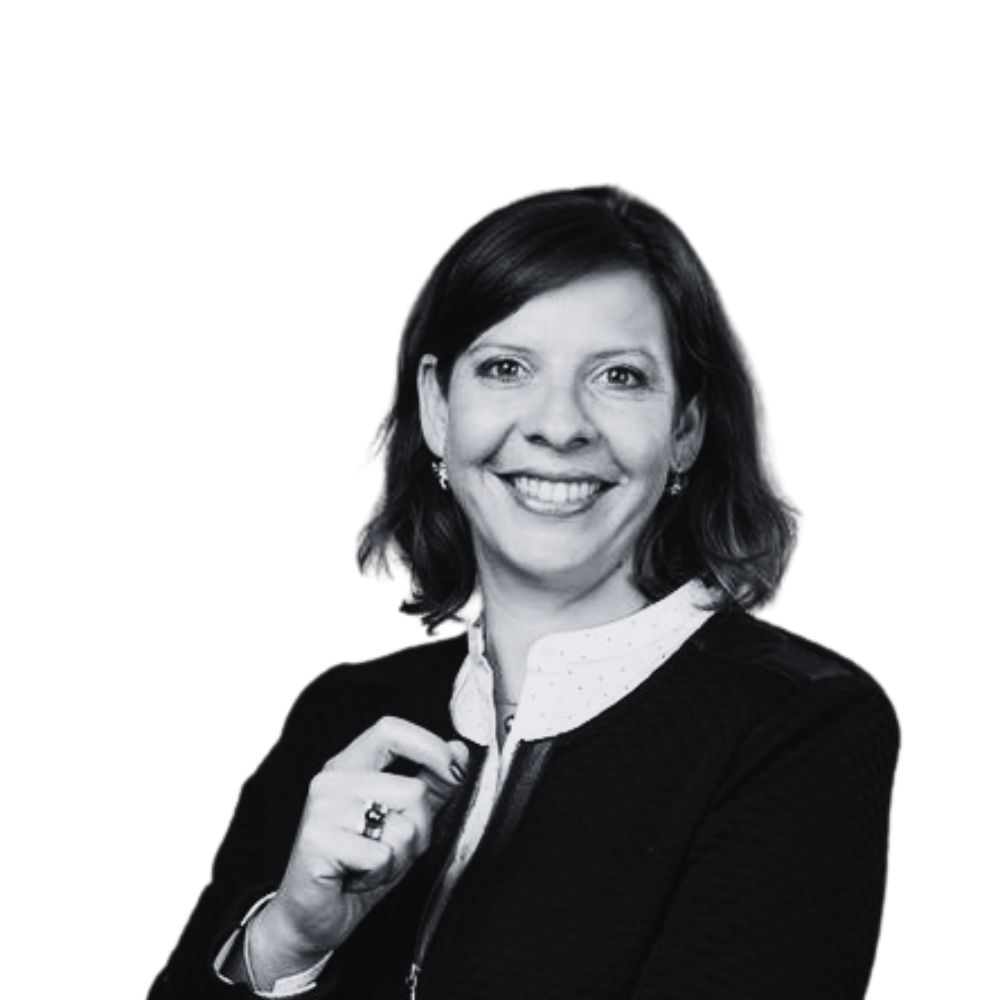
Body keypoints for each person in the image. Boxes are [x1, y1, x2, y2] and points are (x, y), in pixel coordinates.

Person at [149, 186, 899, 1000]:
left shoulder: (799, 726)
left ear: (685, 429)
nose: (559, 425)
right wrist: (289, 939)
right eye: (506, 368)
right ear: (438, 408)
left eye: (619, 376)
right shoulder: (344, 716)